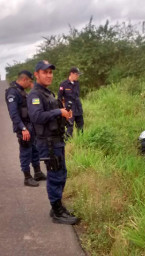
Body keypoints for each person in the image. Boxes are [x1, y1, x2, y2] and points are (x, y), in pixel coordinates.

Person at [27, 60, 78, 225]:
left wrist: (64, 114)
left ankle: (57, 207)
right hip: (47, 143)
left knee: (61, 174)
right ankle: (57, 212)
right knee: (55, 176)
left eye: (50, 72)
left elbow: (51, 114)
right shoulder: (35, 94)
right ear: (36, 74)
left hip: (56, 140)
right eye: (45, 72)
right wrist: (58, 111)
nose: (49, 75)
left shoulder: (48, 93)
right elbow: (36, 117)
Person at [5, 70, 46, 187]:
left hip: (30, 125)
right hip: (23, 128)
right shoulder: (12, 92)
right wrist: (22, 128)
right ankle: (27, 177)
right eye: (29, 81)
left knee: (34, 149)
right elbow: (13, 114)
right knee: (26, 151)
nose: (30, 83)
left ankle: (37, 173)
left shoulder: (21, 91)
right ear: (24, 79)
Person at [58, 67, 84, 138]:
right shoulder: (63, 84)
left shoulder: (77, 83)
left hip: (78, 108)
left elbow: (77, 95)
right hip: (70, 109)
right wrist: (63, 109)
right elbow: (59, 98)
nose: (78, 76)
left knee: (80, 126)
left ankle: (81, 141)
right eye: (76, 74)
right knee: (70, 127)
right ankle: (68, 142)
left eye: (78, 75)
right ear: (71, 74)